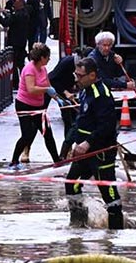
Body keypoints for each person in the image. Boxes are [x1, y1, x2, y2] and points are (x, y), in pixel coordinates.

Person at [62, 58, 125, 230]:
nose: (76, 79)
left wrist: (88, 143)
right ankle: (78, 224)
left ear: (92, 75)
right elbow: (80, 121)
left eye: (80, 76)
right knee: (71, 183)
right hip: (83, 152)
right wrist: (67, 145)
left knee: (108, 191)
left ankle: (116, 234)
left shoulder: (102, 94)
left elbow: (107, 126)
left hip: (101, 152)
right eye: (76, 74)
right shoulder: (84, 91)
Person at [8, 44, 62, 170]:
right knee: (27, 134)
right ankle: (14, 160)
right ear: (42, 57)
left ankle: (56, 160)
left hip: (39, 105)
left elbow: (48, 86)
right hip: (24, 105)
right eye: (47, 57)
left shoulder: (43, 69)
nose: (49, 59)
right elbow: (31, 89)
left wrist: (58, 98)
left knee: (47, 132)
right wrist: (46, 89)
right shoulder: (29, 69)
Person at [47, 45, 91, 139]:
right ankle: (67, 148)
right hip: (56, 90)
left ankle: (73, 143)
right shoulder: (67, 62)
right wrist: (65, 92)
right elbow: (52, 79)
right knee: (68, 119)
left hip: (69, 91)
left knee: (75, 119)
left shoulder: (80, 66)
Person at [0, 0, 32, 89]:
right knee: (21, 64)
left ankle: (15, 83)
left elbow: (6, 23)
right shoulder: (25, 15)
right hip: (22, 42)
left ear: (19, 5)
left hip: (14, 42)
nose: (14, 5)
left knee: (14, 64)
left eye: (16, 3)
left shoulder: (16, 15)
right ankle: (25, 82)